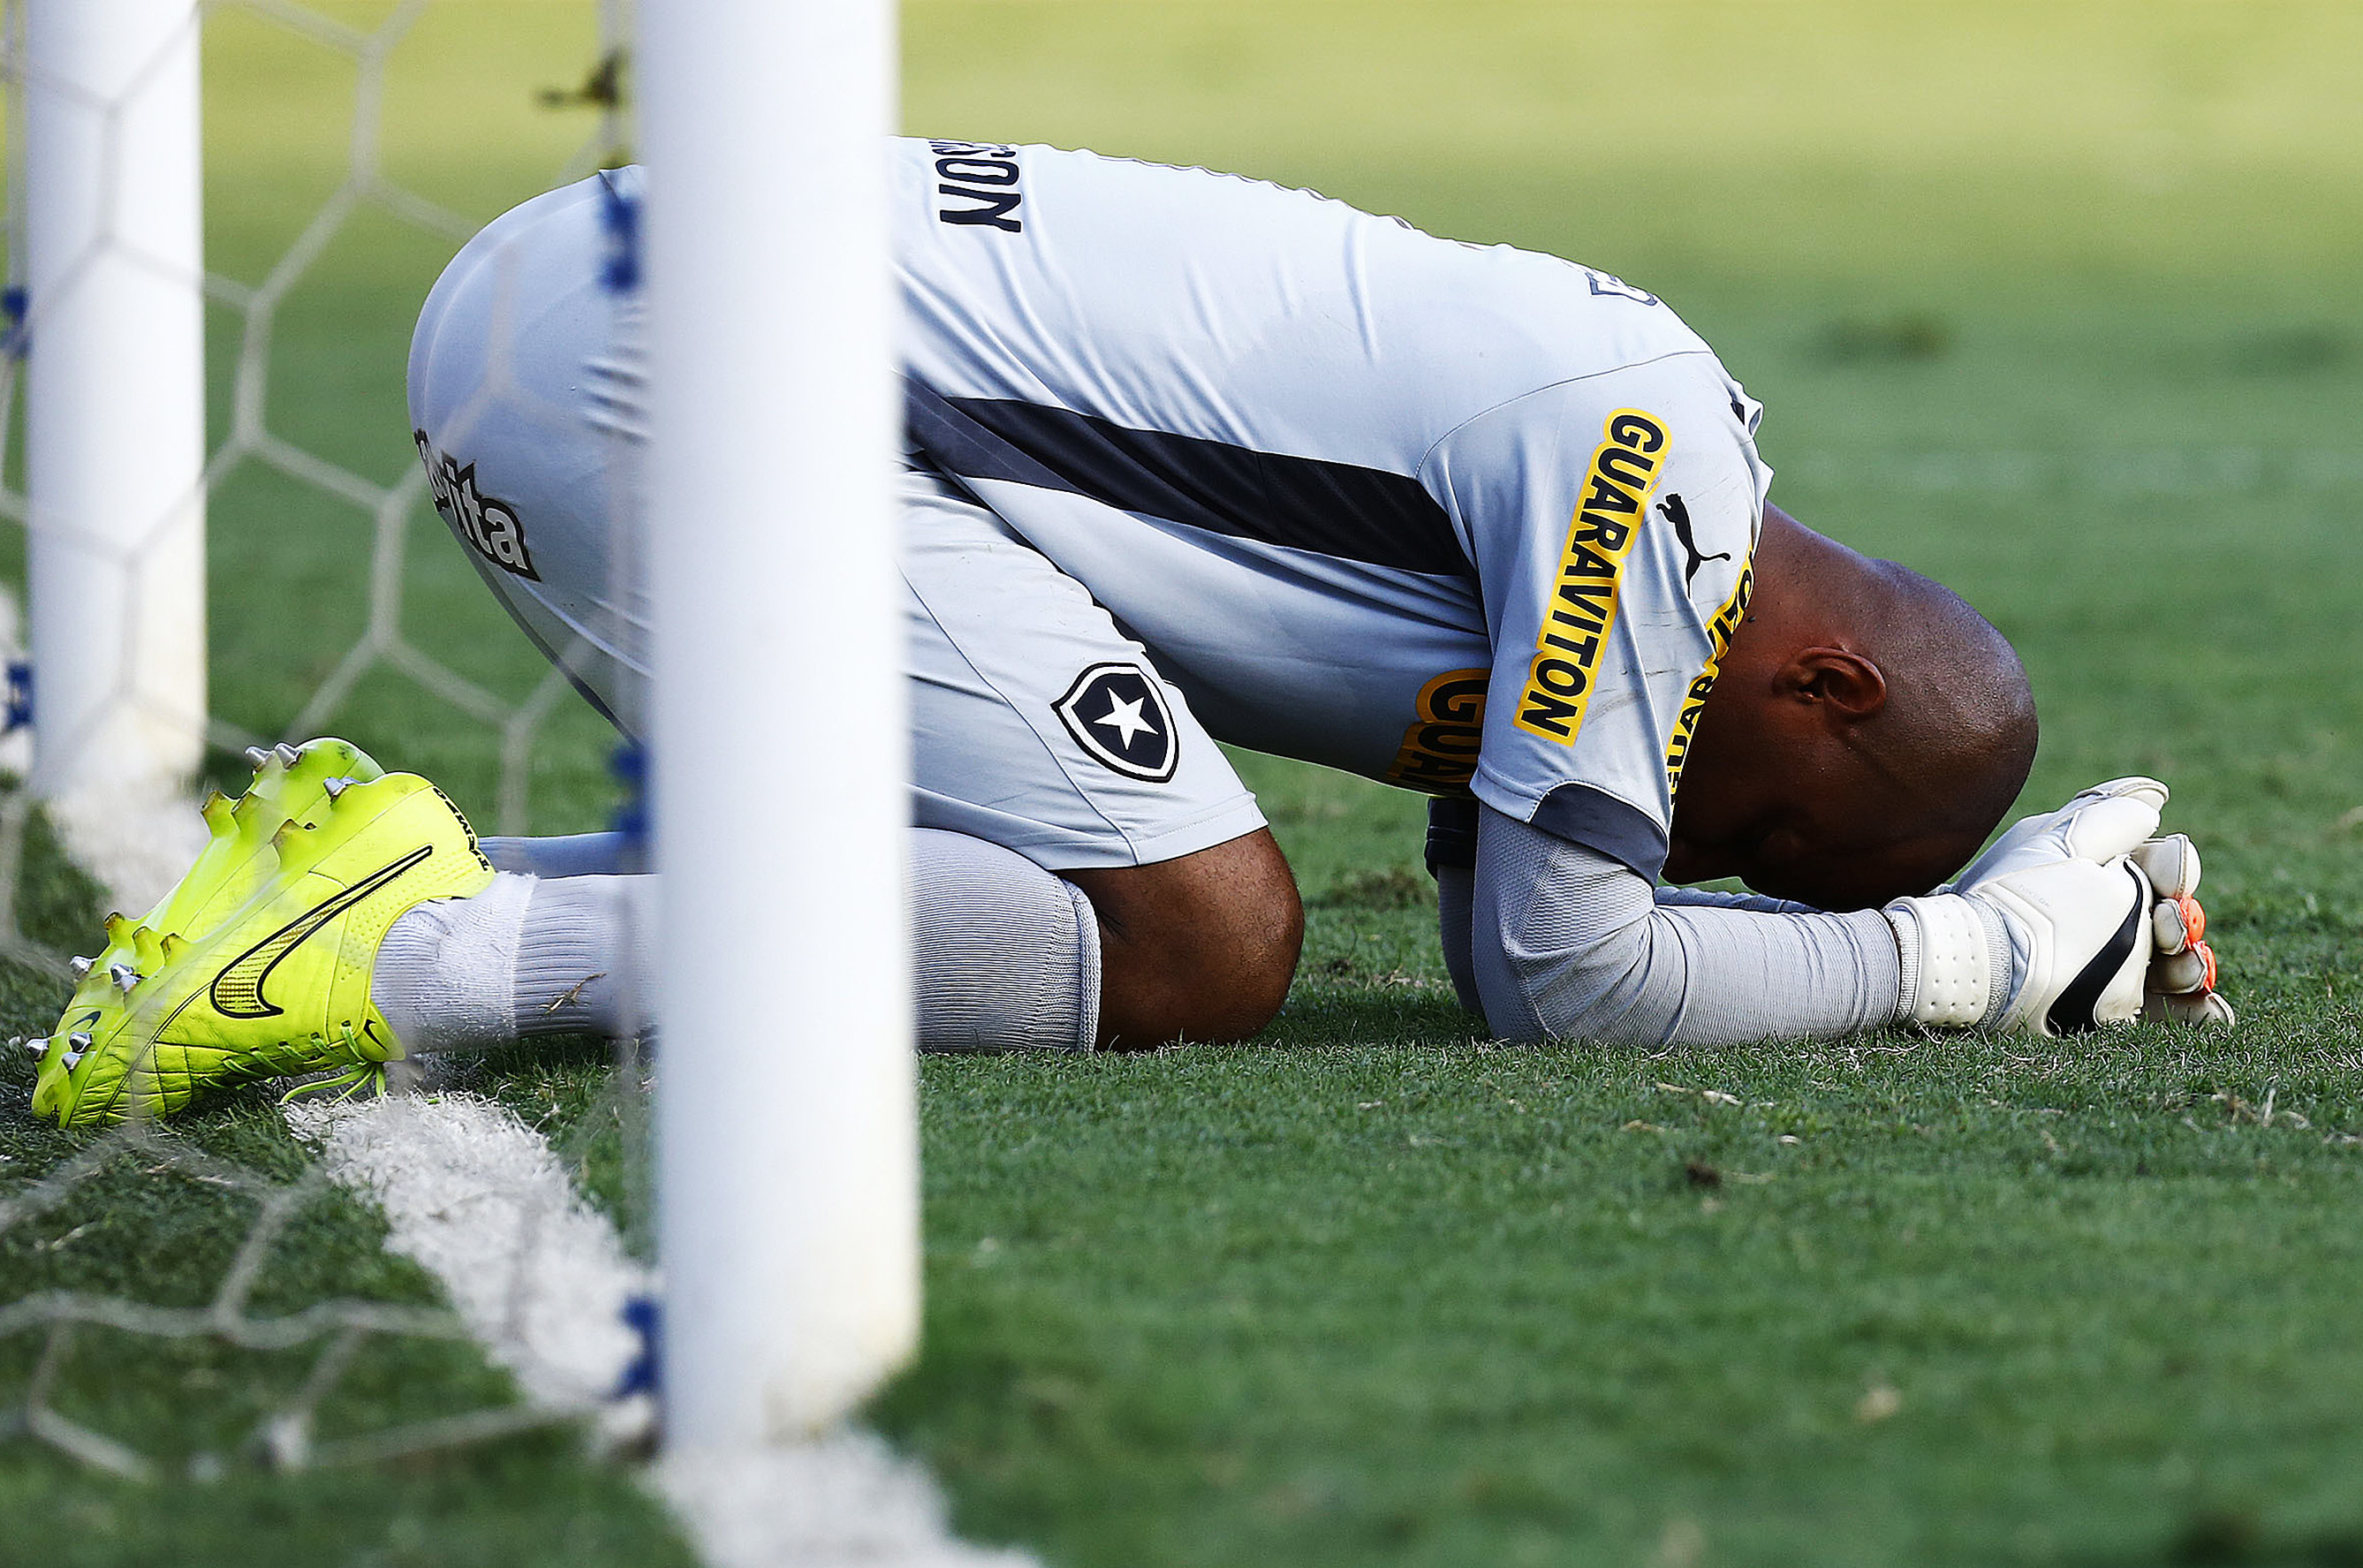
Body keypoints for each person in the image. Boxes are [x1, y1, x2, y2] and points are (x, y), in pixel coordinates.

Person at [31, 145, 2227, 1129]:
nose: (1688, 861)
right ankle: (407, 963)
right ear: (1825, 683)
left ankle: (380, 894)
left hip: (618, 313)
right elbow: (1578, 975)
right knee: (1195, 941)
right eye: (1755, 838)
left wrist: (2047, 921)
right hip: (686, 354)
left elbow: (1515, 944)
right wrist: (1966, 964)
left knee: (1032, 895)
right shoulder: (1645, 469)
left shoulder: (1652, 465)